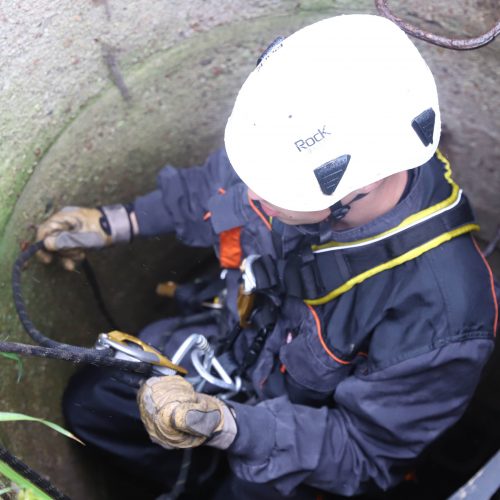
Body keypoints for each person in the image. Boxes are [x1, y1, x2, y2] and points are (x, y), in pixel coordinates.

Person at [36, 14, 498, 500]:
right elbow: (214, 191)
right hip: (233, 354)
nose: (252, 191)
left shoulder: (446, 315)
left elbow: (363, 452)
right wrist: (113, 222)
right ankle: (196, 481)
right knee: (92, 405)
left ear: (358, 188)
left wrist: (223, 427)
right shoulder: (299, 157)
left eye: (272, 187)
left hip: (299, 450)